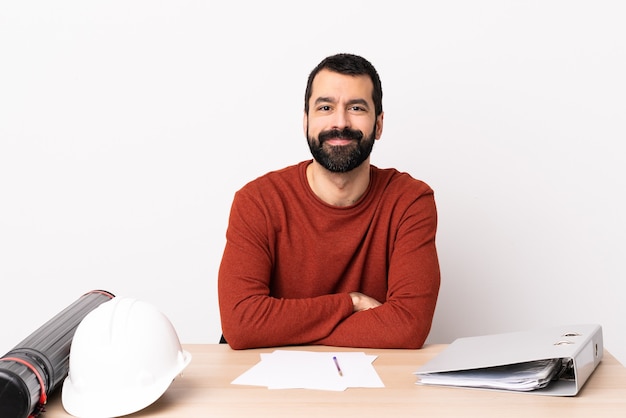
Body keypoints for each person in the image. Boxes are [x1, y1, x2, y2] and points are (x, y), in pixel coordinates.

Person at [218, 53, 440, 350]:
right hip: (268, 384)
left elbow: (409, 327)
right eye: (325, 107)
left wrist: (279, 328)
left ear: (379, 124)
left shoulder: (410, 202)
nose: (340, 122)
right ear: (306, 121)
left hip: (374, 386)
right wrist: (351, 302)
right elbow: (242, 325)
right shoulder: (257, 202)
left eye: (356, 107)